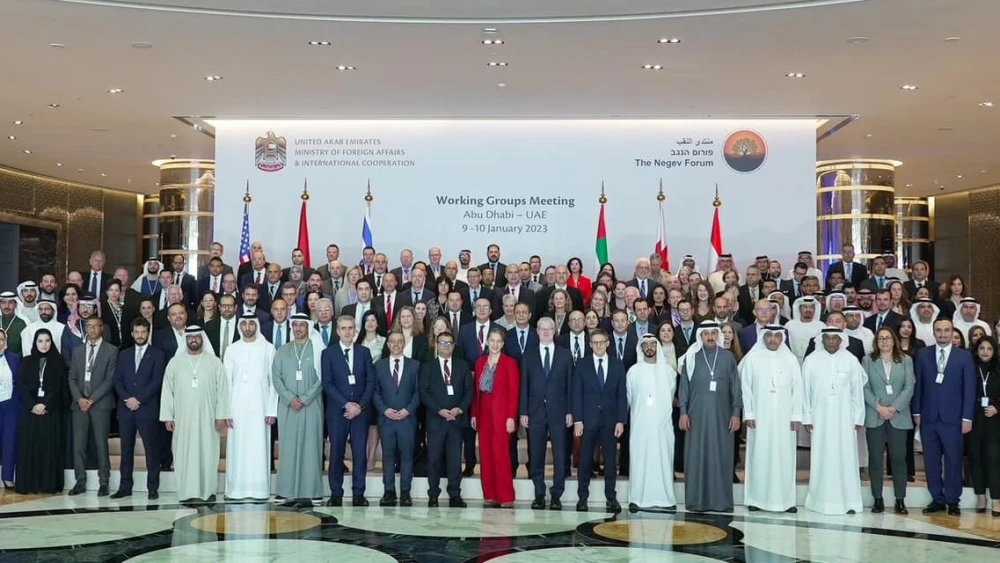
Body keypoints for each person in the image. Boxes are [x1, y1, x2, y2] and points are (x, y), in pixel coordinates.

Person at [160, 325, 231, 504]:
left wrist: (221, 415)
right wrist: (168, 416)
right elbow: (167, 391)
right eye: (190, 337)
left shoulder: (214, 362)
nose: (193, 340)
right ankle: (186, 492)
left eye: (197, 337)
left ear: (202, 339)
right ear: (186, 340)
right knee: (184, 454)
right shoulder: (175, 363)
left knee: (208, 454)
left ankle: (208, 491)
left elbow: (222, 390)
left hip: (208, 419)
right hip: (182, 419)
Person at [914, 318, 976, 516]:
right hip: (928, 418)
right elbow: (918, 385)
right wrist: (917, 412)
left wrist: (967, 417)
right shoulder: (923, 355)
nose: (942, 334)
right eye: (939, 330)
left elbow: (970, 389)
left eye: (946, 330)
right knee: (931, 462)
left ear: (952, 332)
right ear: (934, 332)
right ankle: (937, 500)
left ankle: (953, 501)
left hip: (954, 419)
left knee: (953, 461)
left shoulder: (964, 357)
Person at [678, 322, 742, 513]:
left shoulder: (728, 358)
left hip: (723, 418)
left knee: (721, 457)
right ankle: (696, 502)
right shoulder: (691, 358)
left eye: (713, 333)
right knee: (696, 458)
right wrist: (683, 412)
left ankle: (720, 502)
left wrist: (736, 414)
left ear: (718, 335)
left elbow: (736, 388)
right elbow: (684, 388)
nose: (710, 337)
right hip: (695, 417)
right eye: (706, 334)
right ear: (700, 336)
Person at [802, 328, 865, 515]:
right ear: (822, 340)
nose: (831, 342)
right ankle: (819, 501)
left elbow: (857, 392)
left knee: (846, 458)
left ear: (841, 340)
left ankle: (850, 502)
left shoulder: (851, 360)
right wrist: (807, 416)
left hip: (845, 420)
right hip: (819, 419)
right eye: (827, 338)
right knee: (822, 458)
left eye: (834, 338)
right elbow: (805, 392)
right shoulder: (811, 360)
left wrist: (858, 417)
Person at [740, 326, 802, 513]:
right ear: (763, 337)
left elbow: (797, 389)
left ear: (782, 338)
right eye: (769, 336)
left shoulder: (790, 360)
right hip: (759, 418)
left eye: (776, 336)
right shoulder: (753, 359)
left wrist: (796, 416)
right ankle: (756, 499)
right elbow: (746, 388)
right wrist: (749, 414)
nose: (773, 339)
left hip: (785, 419)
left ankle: (786, 501)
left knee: (785, 457)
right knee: (759, 456)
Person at [271, 313, 325, 508]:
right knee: (288, 448)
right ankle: (285, 491)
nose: (298, 329)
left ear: (308, 327)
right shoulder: (282, 350)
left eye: (302, 325)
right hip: (288, 407)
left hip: (312, 406)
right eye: (295, 325)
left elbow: (323, 378)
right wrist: (290, 398)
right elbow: (276, 377)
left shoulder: (318, 350)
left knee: (312, 448)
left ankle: (313, 492)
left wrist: (304, 398)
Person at [222, 314, 277, 501]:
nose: (247, 327)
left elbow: (273, 382)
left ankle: (259, 490)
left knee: (258, 448)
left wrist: (271, 410)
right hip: (236, 408)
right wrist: (227, 411)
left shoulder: (268, 349)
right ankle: (236, 489)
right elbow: (226, 383)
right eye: (244, 323)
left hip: (260, 407)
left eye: (251, 323)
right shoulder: (231, 350)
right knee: (237, 448)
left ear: (257, 325)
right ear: (240, 326)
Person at [322, 315, 375, 507]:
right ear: (337, 331)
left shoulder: (364, 352)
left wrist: (359, 406)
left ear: (355, 331)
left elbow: (371, 381)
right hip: (338, 412)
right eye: (343, 328)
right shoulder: (328, 353)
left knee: (359, 453)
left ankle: (358, 494)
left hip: (360, 412)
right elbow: (327, 384)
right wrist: (347, 404)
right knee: (336, 453)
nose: (347, 332)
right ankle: (336, 493)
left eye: (350, 328)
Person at [520, 317, 572, 510]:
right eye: (543, 329)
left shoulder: (565, 355)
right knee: (536, 454)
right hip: (535, 412)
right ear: (537, 331)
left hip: (559, 411)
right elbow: (524, 385)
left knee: (560, 454)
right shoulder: (528, 354)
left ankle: (557, 494)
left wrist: (570, 411)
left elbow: (570, 385)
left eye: (550, 328)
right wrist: (523, 411)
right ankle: (539, 494)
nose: (546, 332)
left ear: (554, 331)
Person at [573, 328, 626, 513]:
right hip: (588, 420)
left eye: (601, 342)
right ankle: (582, 497)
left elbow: (622, 395)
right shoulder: (582, 364)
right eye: (594, 342)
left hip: (611, 421)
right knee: (585, 460)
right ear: (590, 344)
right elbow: (576, 393)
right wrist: (578, 420)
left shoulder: (617, 365)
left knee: (610, 461)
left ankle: (611, 497)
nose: (598, 345)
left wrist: (621, 420)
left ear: (607, 343)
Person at [862, 327, 915, 514]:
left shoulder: (906, 360)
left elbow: (909, 387)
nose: (884, 341)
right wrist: (879, 407)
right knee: (875, 459)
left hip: (898, 416)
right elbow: (864, 387)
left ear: (894, 341)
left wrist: (893, 408)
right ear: (876, 342)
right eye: (881, 338)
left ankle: (900, 500)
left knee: (899, 458)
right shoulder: (868, 360)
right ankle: (878, 499)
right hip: (875, 415)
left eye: (888, 338)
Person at [112, 318, 166, 500]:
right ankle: (125, 486)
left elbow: (157, 381)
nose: (140, 335)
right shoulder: (124, 354)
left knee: (151, 449)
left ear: (148, 333)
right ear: (132, 333)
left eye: (143, 332)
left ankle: (153, 487)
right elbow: (117, 380)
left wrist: (139, 399)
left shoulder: (157, 354)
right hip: (126, 409)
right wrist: (128, 399)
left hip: (147, 409)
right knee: (126, 449)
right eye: (137, 332)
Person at [419, 331, 473, 507]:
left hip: (456, 421)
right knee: (434, 459)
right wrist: (439, 410)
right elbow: (423, 392)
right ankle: (433, 495)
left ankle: (455, 495)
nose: (446, 346)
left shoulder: (462, 366)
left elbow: (469, 391)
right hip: (436, 421)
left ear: (454, 346)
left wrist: (460, 409)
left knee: (454, 460)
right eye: (443, 343)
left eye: (450, 343)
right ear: (436, 345)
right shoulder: (428, 367)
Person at [626, 333, 677, 512]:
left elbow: (670, 397)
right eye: (645, 344)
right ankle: (637, 499)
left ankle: (666, 499)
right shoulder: (633, 371)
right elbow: (630, 399)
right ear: (641, 348)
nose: (649, 347)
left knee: (663, 460)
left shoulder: (669, 372)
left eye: (652, 344)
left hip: (662, 427)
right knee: (640, 461)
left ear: (658, 347)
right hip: (640, 426)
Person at [67, 316, 118, 497]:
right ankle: (80, 481)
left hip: (100, 404)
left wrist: (92, 399)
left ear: (102, 328)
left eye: (96, 326)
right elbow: (72, 377)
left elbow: (110, 379)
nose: (93, 329)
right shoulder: (78, 350)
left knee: (101, 444)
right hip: (79, 404)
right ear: (86, 328)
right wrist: (80, 399)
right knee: (78, 445)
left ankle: (103, 482)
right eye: (89, 326)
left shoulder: (111, 350)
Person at [14, 329, 68, 494]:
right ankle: (30, 484)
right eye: (40, 341)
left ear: (51, 342)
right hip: (30, 412)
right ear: (35, 343)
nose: (44, 344)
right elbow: (21, 386)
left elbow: (58, 387)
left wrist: (45, 405)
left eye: (47, 340)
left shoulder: (58, 361)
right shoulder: (27, 361)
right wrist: (33, 405)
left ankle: (47, 484)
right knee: (30, 447)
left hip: (50, 412)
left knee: (48, 448)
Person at [470, 328, 519, 508]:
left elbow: (514, 392)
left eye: (499, 341)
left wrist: (511, 417)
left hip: (502, 414)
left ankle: (506, 496)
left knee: (501, 455)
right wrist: (474, 414)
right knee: (486, 454)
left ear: (503, 343)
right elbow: (476, 392)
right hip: (483, 413)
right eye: (492, 340)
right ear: (487, 342)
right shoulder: (480, 363)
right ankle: (490, 494)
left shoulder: (509, 363)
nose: (495, 344)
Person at [373, 331, 421, 507]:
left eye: (399, 341)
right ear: (388, 345)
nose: (395, 344)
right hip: (386, 419)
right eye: (392, 341)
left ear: (404, 344)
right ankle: (389, 492)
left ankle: (405, 492)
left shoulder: (415, 365)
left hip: (407, 419)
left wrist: (408, 410)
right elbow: (375, 392)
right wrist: (384, 410)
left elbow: (418, 392)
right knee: (388, 457)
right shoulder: (379, 366)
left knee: (407, 456)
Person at [968, 336, 1000, 514]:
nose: (985, 352)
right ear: (976, 350)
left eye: (989, 349)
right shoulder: (971, 367)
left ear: (994, 351)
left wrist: (997, 408)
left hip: (995, 419)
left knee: (994, 459)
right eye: (982, 348)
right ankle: (981, 496)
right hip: (975, 418)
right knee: (975, 458)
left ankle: (996, 499)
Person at [0, 329, 21, 488]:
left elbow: (20, 382)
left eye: (1, 339)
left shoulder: (14, 358)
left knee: (10, 441)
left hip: (10, 405)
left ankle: (7, 476)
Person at [0, 292, 27, 358]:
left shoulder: (22, 324)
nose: (7, 306)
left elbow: (25, 349)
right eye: (3, 302)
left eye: (10, 302)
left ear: (16, 304)